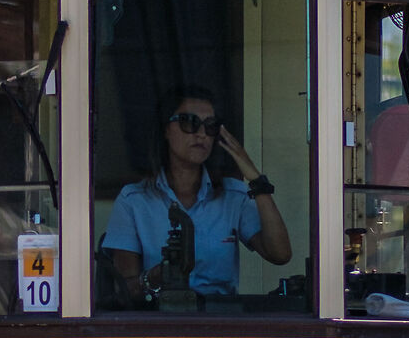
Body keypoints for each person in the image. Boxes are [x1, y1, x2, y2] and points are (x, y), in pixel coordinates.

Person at [103, 89, 292, 305]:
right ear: (166, 128)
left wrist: (256, 181)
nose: (201, 133)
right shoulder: (133, 200)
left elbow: (280, 254)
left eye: (210, 126)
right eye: (189, 122)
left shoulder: (233, 195)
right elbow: (124, 289)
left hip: (221, 321)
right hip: (157, 321)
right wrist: (157, 276)